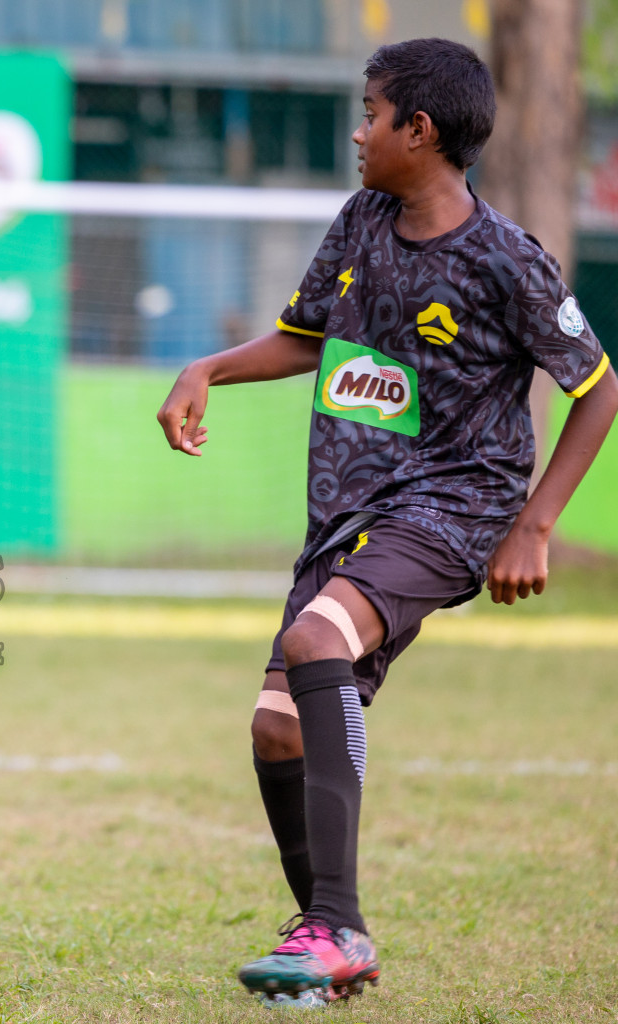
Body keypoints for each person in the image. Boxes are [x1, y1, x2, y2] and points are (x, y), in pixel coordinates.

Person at [156, 38, 616, 1006]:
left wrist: (534, 526)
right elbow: (303, 338)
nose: (357, 131)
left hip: (458, 502)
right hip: (349, 515)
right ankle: (327, 942)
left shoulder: (506, 258)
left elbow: (599, 388)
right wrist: (205, 370)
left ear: (422, 130)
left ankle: (336, 925)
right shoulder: (361, 221)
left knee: (314, 636)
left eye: (370, 113)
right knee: (277, 728)